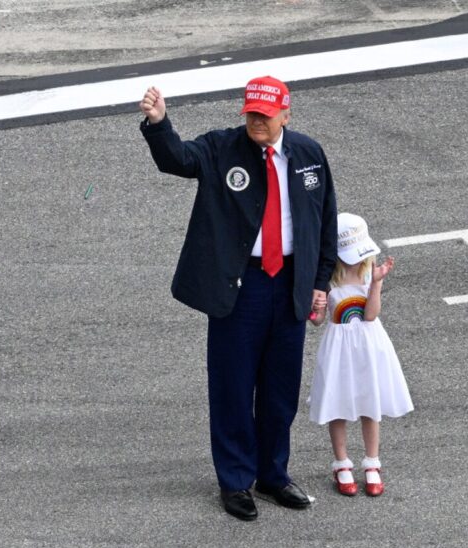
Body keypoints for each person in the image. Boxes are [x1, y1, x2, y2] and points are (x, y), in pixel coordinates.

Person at [139, 77, 337, 521]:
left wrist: (319, 283)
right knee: (232, 388)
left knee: (280, 390)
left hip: (289, 283)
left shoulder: (309, 155)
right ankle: (235, 481)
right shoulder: (222, 148)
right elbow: (178, 159)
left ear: (287, 114)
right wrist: (158, 123)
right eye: (250, 114)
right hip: (240, 286)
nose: (256, 122)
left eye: (264, 116)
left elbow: (325, 221)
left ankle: (272, 475)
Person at [307, 213, 413, 497]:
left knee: (370, 403)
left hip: (369, 345)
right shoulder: (328, 280)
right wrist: (314, 307)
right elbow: (318, 321)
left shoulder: (369, 274)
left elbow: (370, 315)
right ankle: (341, 462)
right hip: (338, 349)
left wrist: (377, 283)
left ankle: (372, 462)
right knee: (338, 405)